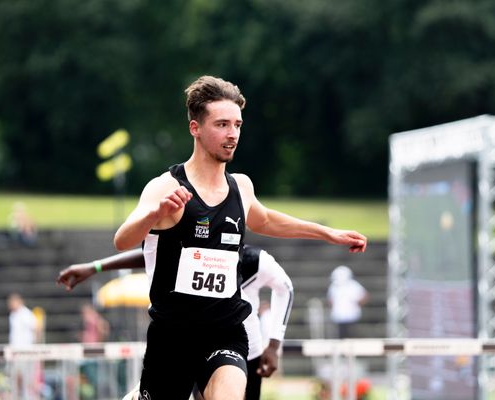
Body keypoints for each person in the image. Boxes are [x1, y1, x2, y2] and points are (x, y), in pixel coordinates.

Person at [111, 74, 366, 400]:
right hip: (173, 335)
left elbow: (269, 220)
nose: (232, 134)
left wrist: (328, 233)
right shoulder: (166, 187)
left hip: (226, 331)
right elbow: (122, 239)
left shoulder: (240, 187)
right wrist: (153, 214)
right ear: (195, 129)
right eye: (221, 125)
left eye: (237, 125)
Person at [58, 244, 294, 400]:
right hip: (190, 342)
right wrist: (96, 266)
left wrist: (274, 345)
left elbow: (285, 288)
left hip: (243, 352)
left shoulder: (254, 260)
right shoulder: (188, 239)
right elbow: (149, 251)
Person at [327, 265, 368, 339]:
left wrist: (357, 304)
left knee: (351, 335)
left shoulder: (354, 285)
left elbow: (364, 296)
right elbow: (331, 300)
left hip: (352, 315)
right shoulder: (333, 286)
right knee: (340, 336)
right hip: (338, 315)